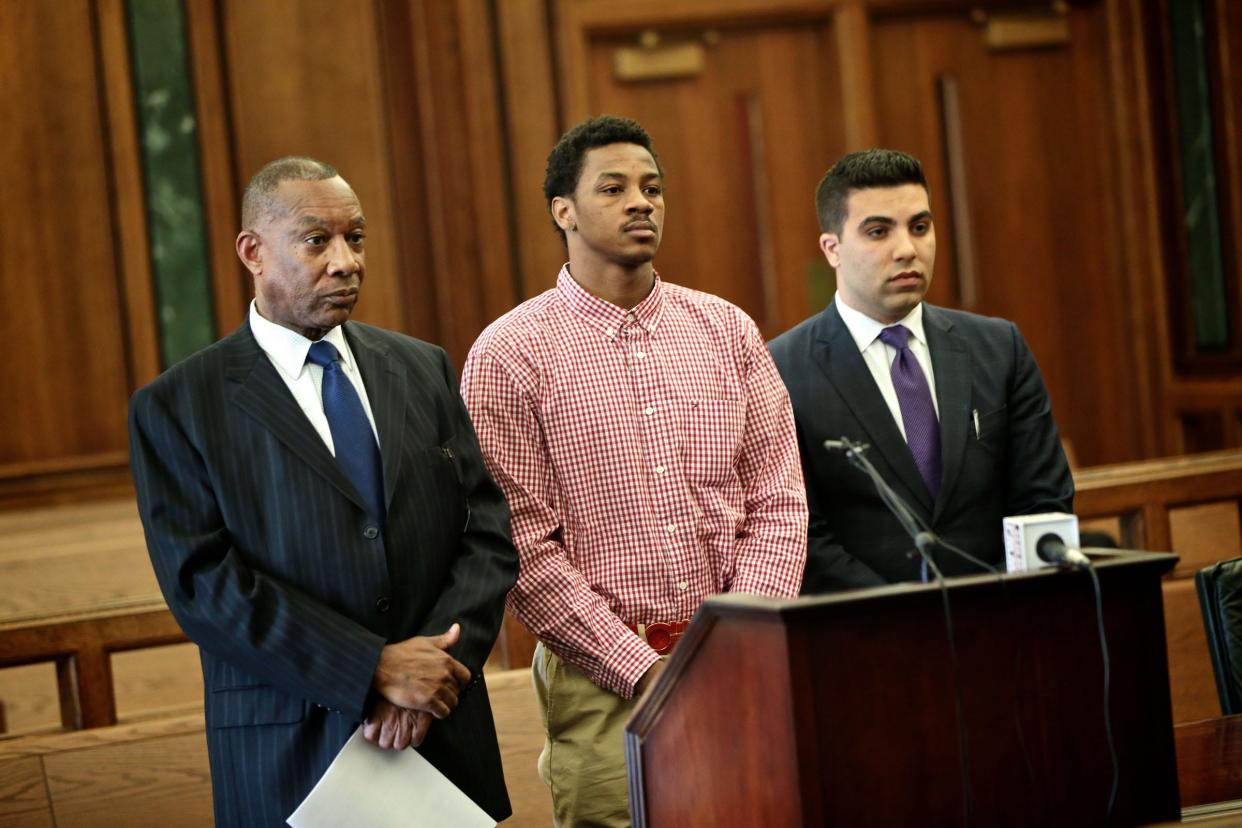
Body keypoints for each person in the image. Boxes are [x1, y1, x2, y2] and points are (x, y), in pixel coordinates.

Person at [128, 157, 518, 825]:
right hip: (288, 749)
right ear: (253, 251)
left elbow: (485, 532)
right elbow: (203, 586)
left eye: (356, 238)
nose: (346, 261)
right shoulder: (179, 405)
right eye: (317, 240)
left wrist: (428, 677)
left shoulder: (421, 368)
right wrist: (372, 668)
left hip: (443, 738)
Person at [460, 115, 807, 826]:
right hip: (602, 680)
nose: (641, 202)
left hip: (741, 669)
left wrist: (733, 645)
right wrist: (645, 668)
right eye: (613, 188)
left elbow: (779, 501)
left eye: (652, 187)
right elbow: (523, 546)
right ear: (564, 210)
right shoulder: (508, 355)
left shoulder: (727, 330)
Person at [768, 148, 1074, 593]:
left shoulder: (998, 346)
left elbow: (1043, 499)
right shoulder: (782, 369)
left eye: (920, 227)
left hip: (1002, 619)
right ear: (832, 249)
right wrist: (904, 617)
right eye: (878, 232)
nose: (907, 249)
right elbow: (803, 534)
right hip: (866, 631)